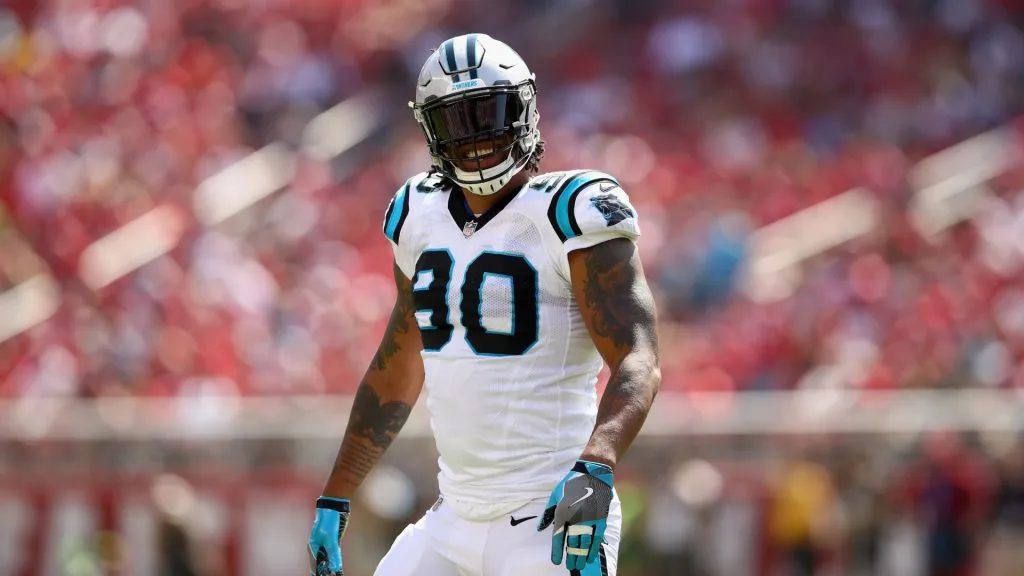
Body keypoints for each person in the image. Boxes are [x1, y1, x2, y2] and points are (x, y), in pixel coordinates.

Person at [308, 33, 661, 576]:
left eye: (488, 114)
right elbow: (396, 368)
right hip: (452, 518)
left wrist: (597, 464)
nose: (474, 139)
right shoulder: (418, 215)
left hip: (550, 512)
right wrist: (337, 492)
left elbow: (638, 357)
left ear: (523, 109)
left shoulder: (570, 212)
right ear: (431, 132)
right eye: (457, 121)